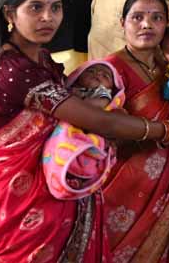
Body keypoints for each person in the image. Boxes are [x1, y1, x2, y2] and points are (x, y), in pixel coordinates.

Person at [0, 0, 169, 263]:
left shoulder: (41, 59)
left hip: (57, 186)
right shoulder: (14, 69)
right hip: (27, 198)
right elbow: (99, 122)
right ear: (9, 14)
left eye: (55, 7)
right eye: (36, 7)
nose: (48, 17)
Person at [101, 0, 169, 262]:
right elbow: (102, 128)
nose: (147, 24)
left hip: (168, 183)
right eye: (137, 17)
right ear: (122, 22)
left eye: (157, 18)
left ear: (166, 24)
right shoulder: (108, 70)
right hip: (124, 183)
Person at [42, 60, 125, 201]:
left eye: (105, 75)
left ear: (112, 86)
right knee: (60, 142)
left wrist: (78, 106)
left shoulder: (102, 92)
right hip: (69, 126)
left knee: (89, 147)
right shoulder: (70, 90)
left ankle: (83, 169)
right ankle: (60, 169)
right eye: (91, 71)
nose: (97, 74)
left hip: (90, 126)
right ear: (77, 76)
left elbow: (100, 104)